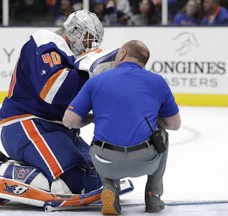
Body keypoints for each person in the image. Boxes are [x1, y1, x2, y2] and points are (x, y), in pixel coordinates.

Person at [63, 40, 181, 215]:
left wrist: (95, 117)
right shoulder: (157, 81)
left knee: (103, 136)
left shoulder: (97, 81)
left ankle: (110, 188)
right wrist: (152, 117)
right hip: (145, 161)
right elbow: (174, 124)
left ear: (123, 53)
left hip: (106, 161)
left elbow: (69, 121)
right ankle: (153, 195)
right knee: (162, 135)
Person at [0, 9, 105, 195]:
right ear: (75, 30)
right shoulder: (45, 41)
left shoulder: (75, 58)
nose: (90, 45)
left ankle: (41, 167)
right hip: (27, 126)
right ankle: (3, 172)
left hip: (60, 131)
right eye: (88, 38)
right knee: (74, 182)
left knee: (103, 177)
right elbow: (53, 91)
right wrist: (92, 76)